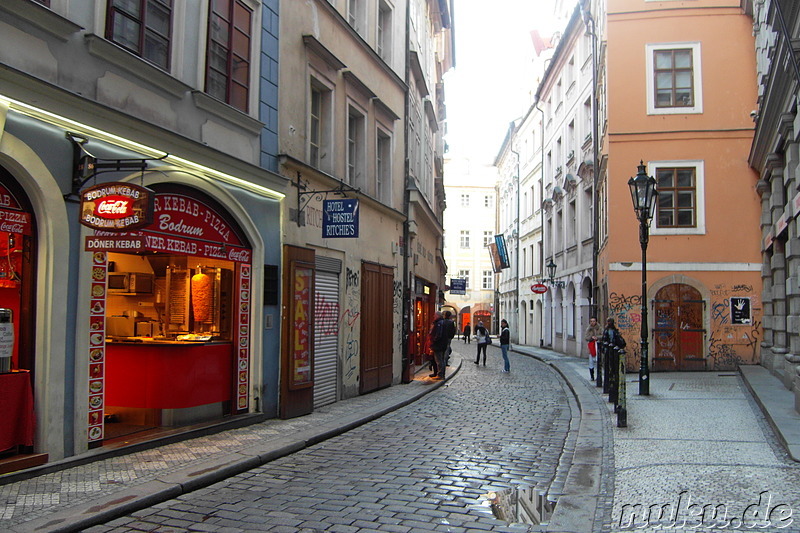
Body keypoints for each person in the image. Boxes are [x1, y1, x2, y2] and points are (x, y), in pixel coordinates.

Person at [428, 311, 449, 379]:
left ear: (438, 316)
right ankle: (440, 373)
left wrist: (434, 341)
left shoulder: (439, 323)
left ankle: (440, 375)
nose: (434, 317)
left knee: (439, 360)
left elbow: (438, 335)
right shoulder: (442, 322)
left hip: (439, 345)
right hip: (442, 344)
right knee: (441, 360)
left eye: (435, 315)